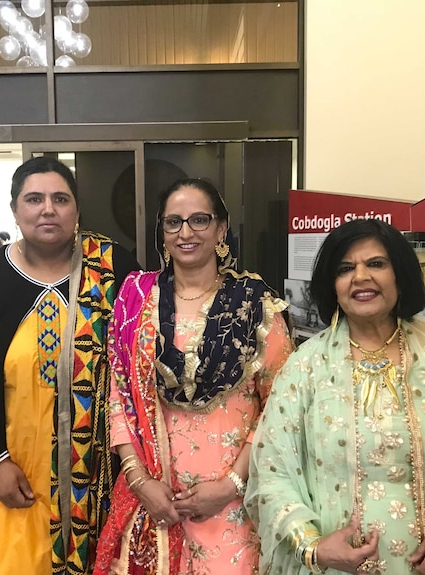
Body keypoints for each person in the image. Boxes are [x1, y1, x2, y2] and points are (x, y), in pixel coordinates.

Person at [246, 219, 425, 575]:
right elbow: (271, 473)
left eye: (376, 264)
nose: (360, 276)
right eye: (345, 269)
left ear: (399, 274)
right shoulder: (306, 367)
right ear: (333, 285)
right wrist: (313, 547)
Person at [0, 156, 139, 575]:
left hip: (100, 470)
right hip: (18, 469)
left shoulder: (114, 269)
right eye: (34, 199)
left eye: (60, 198)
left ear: (77, 210)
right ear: (15, 211)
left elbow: (138, 365)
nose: (47, 209)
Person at [93, 179, 294, 575]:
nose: (186, 232)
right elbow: (120, 398)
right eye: (173, 222)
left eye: (199, 220)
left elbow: (281, 409)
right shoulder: (136, 300)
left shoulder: (255, 307)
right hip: (155, 501)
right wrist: (139, 482)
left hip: (234, 509)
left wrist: (231, 486)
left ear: (221, 228)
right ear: (162, 232)